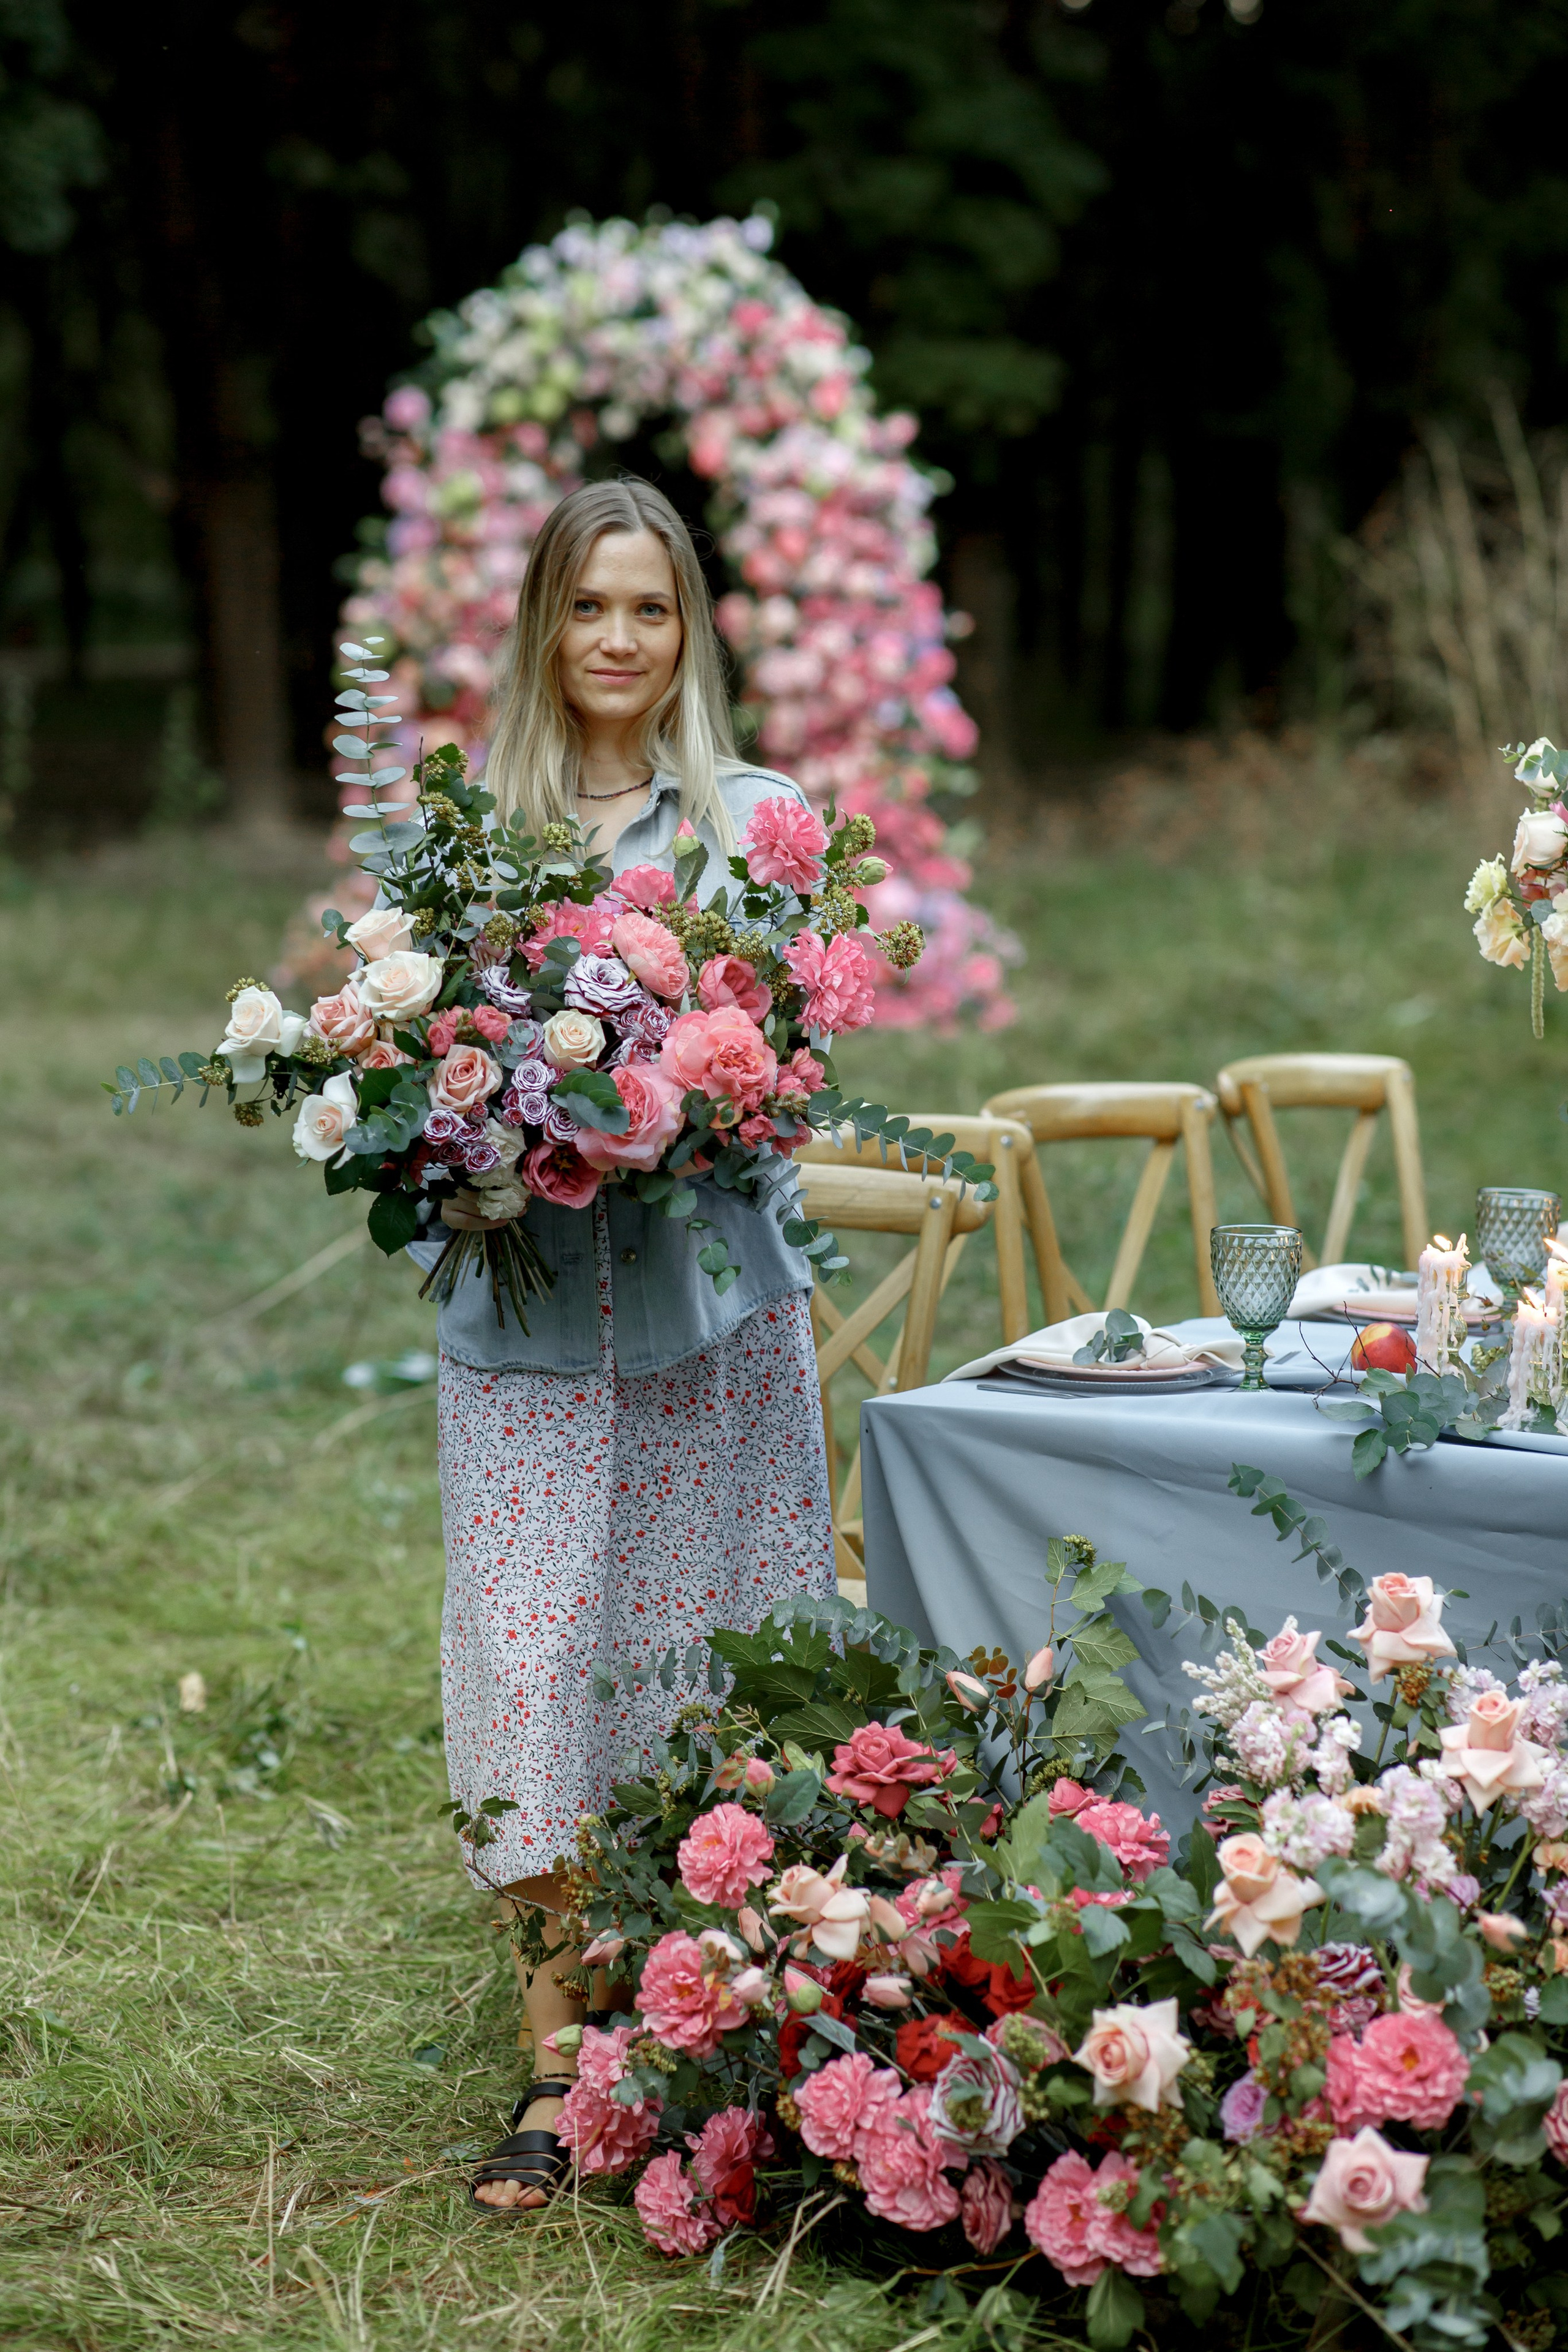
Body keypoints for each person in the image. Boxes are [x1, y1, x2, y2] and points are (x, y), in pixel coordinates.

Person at [407, 478, 838, 2212]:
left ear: (689, 631)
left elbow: (795, 1080)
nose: (616, 640)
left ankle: (697, 2037)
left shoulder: (757, 824)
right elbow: (404, 1081)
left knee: (697, 1654)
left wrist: (698, 1106)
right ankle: (550, 2061)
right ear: (542, 623)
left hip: (702, 1320)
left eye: (648, 609)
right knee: (528, 1660)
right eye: (588, 606)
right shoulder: (466, 837)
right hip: (518, 1324)